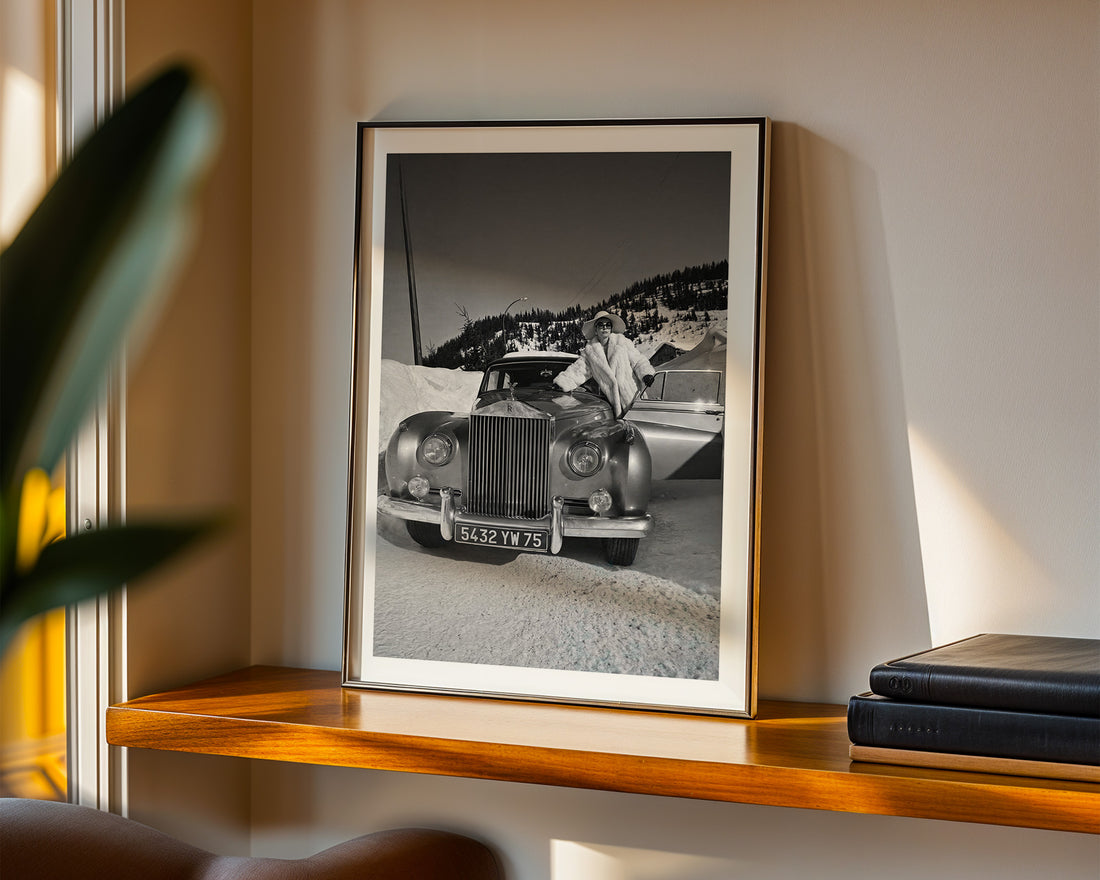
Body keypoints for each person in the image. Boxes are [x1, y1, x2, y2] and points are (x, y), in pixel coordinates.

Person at [553, 310, 655, 417]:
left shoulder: (622, 342)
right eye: (600, 325)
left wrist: (646, 374)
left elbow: (638, 361)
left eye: (608, 325)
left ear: (611, 328)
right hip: (613, 404)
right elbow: (578, 370)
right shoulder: (590, 352)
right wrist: (562, 383)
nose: (604, 327)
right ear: (596, 330)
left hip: (634, 398)